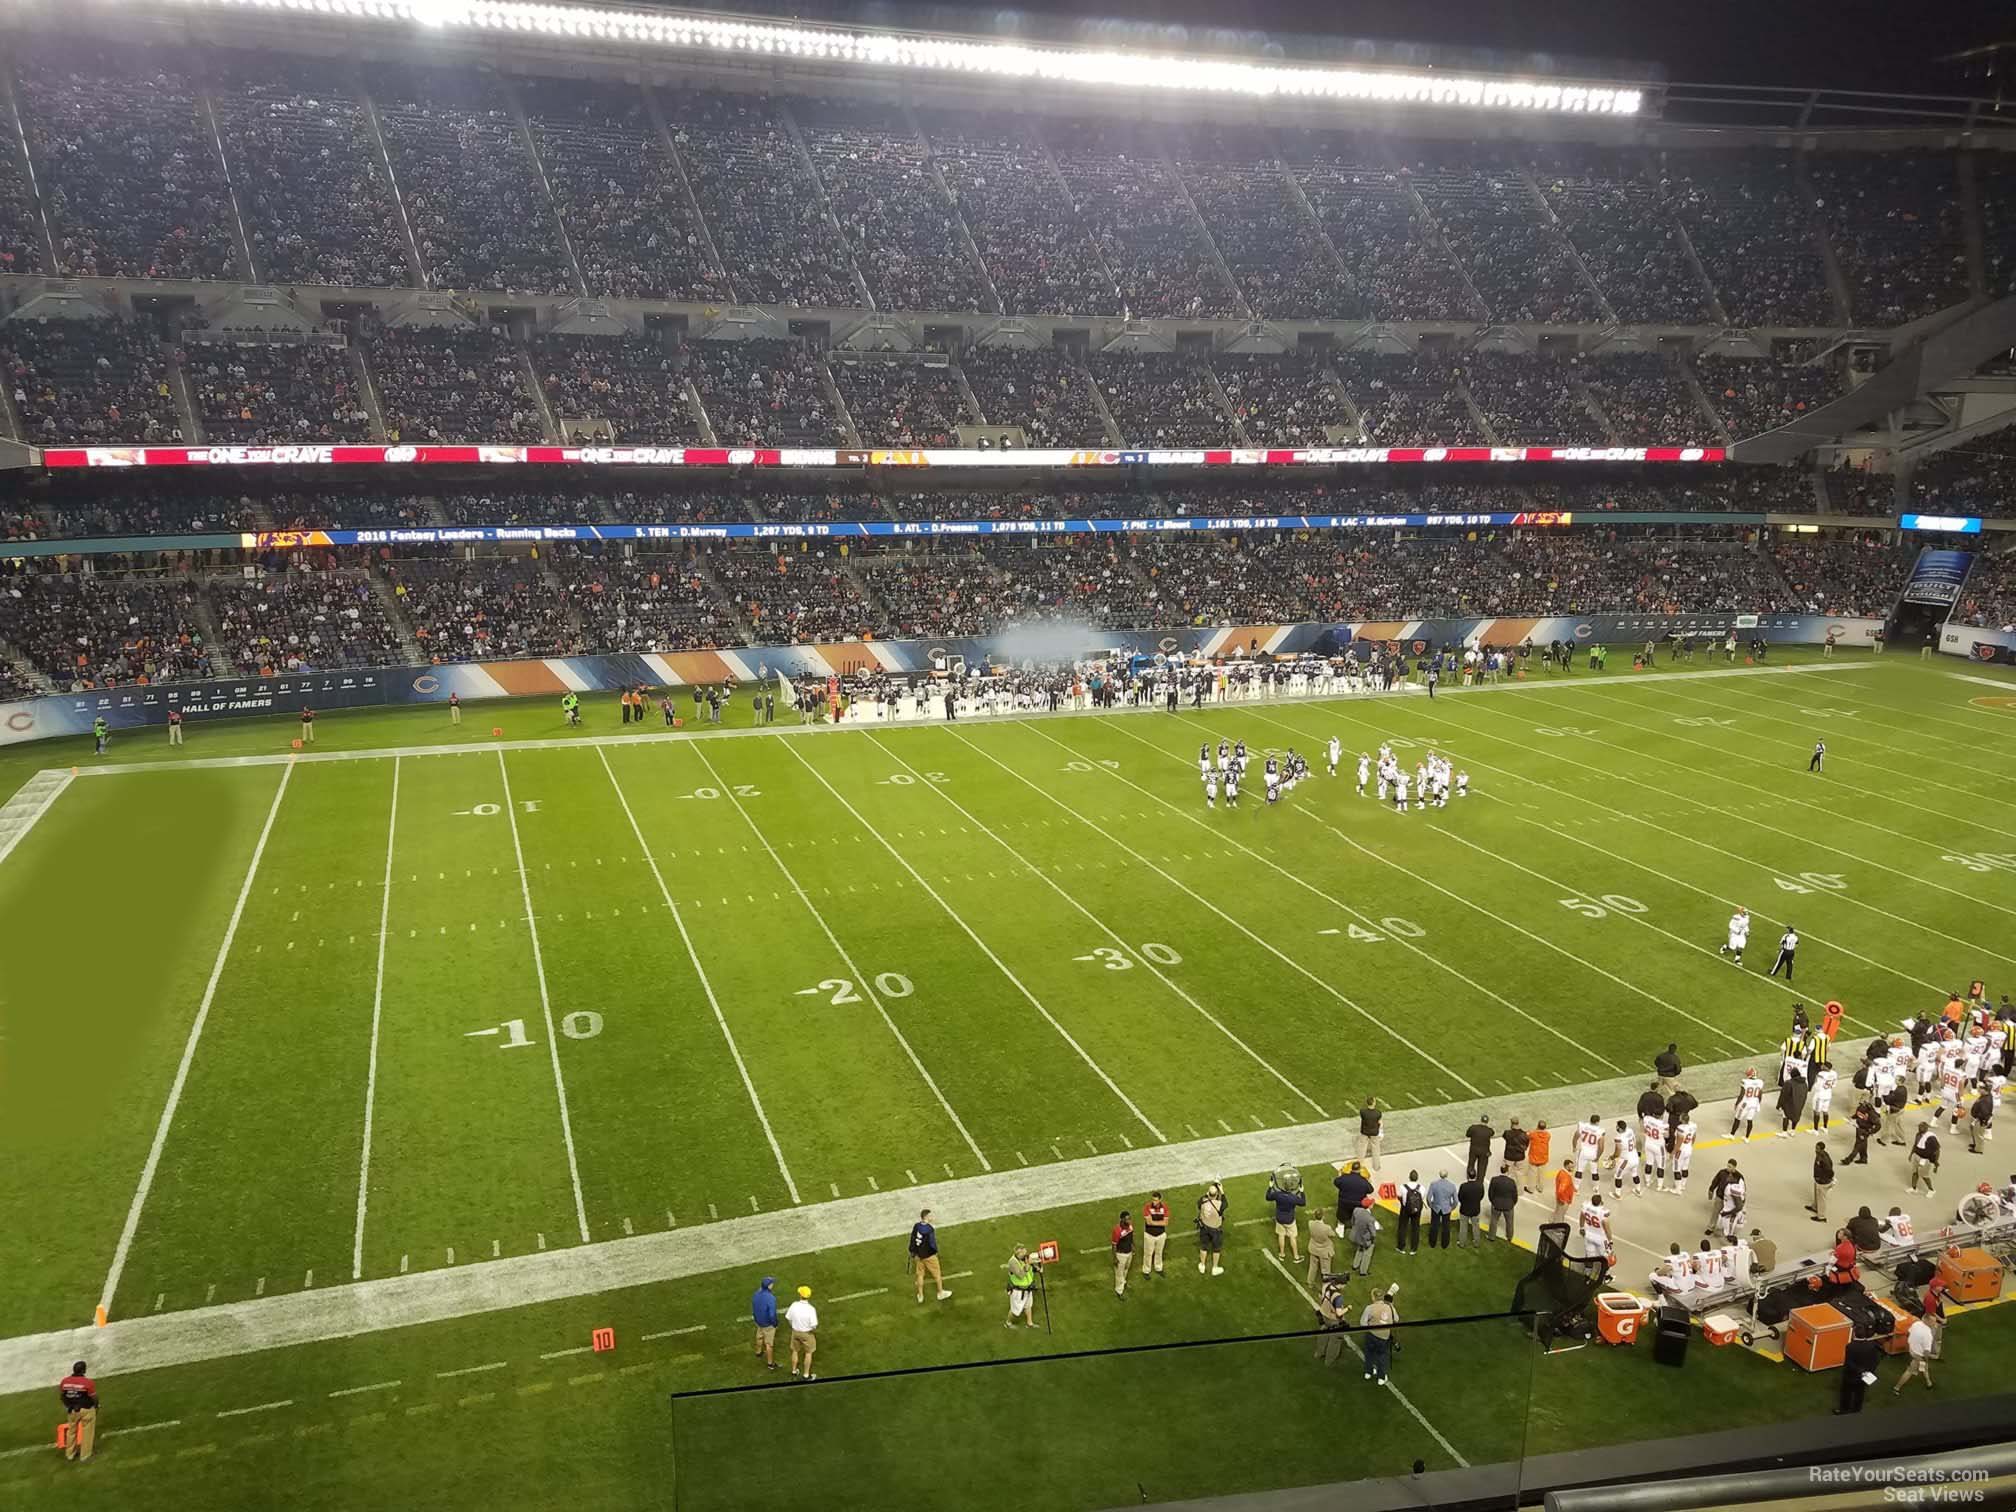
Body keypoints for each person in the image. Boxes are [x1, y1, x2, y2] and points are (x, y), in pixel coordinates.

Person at [909, 1209, 951, 1303]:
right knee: (937, 1274)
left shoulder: (916, 1226)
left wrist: (912, 1252)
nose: (932, 1217)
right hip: (928, 1256)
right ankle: (940, 1293)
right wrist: (935, 1252)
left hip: (918, 1256)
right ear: (926, 1217)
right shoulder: (929, 1229)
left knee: (920, 1275)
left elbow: (912, 1239)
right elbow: (932, 1244)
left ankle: (920, 1295)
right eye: (930, 1216)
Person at [57, 1361, 96, 1462]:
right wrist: (96, 1405)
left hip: (71, 1410)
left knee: (71, 1431)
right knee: (87, 1431)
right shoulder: (88, 1382)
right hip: (86, 1409)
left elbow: (62, 1395)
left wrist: (67, 1406)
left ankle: (70, 1454)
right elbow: (94, 1397)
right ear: (83, 1370)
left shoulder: (64, 1381)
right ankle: (85, 1455)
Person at [1838, 1327, 1883, 1414]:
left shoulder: (1851, 1346)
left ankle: (1844, 1410)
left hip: (1851, 1375)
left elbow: (1849, 1362)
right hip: (1865, 1376)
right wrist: (1869, 1371)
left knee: (1847, 1393)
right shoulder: (1872, 1346)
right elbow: (1876, 1360)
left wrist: (1860, 1371)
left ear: (1854, 1334)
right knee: (1860, 1393)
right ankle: (1856, 1410)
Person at [1360, 1284, 1399, 1385]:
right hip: (1384, 1337)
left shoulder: (1369, 1308)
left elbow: (1363, 1323)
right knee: (1382, 1356)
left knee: (1369, 1353)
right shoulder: (1390, 1308)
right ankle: (1381, 1378)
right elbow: (1396, 1319)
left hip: (1371, 1335)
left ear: (1373, 1297)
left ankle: (1368, 1372)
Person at [1313, 1272, 1352, 1364]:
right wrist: (1348, 1308)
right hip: (1333, 1320)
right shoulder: (1338, 1297)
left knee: (1323, 1334)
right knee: (1335, 1340)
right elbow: (1339, 1313)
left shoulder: (1327, 1286)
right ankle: (1329, 1360)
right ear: (1341, 1284)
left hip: (1324, 1315)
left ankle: (1318, 1353)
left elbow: (1321, 1296)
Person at [1266, 1177, 1305, 1263]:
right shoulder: (1293, 1198)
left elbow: (1268, 1197)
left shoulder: (1278, 1195)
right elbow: (1303, 1202)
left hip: (1279, 1218)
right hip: (1289, 1220)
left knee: (1281, 1235)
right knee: (1292, 1237)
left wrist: (1270, 1186)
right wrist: (1302, 1191)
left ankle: (1282, 1254)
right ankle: (1296, 1256)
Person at [1895, 1315, 1937, 1394]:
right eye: (1933, 1321)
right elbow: (1926, 1352)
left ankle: (1928, 1382)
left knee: (1924, 1367)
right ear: (1927, 1321)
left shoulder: (1916, 1324)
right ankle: (1897, 1387)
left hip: (1912, 1350)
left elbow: (1908, 1333)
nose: (1934, 1323)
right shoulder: (1927, 1334)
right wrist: (1926, 1359)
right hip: (1919, 1355)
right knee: (1910, 1370)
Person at [785, 1286, 819, 1380]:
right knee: (808, 1353)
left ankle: (794, 1371)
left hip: (795, 1332)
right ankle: (806, 1375)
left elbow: (788, 1318)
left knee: (795, 1351)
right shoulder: (811, 1309)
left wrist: (793, 1326)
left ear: (800, 1295)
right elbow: (814, 1325)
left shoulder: (794, 1305)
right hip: (807, 1334)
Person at [1004, 1245, 1040, 1328]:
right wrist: (1027, 1264)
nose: (1026, 1254)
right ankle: (1008, 1323)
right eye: (1023, 1253)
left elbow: (1031, 1268)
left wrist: (1037, 1268)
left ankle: (1029, 1323)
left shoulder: (1024, 1258)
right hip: (1018, 1291)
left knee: (1028, 1306)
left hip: (1027, 1288)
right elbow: (1021, 1275)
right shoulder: (1012, 1262)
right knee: (1015, 1311)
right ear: (1018, 1253)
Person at [1197, 1181, 1228, 1275]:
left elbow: (1199, 1202)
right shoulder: (1219, 1204)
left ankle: (1202, 1265)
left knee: (1203, 1246)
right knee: (1216, 1248)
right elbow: (1226, 1203)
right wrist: (1222, 1191)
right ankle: (1215, 1268)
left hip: (1204, 1227)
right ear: (1216, 1194)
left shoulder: (1202, 1201)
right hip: (1215, 1230)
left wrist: (1207, 1194)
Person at [750, 1276, 780, 1370]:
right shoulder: (771, 1298)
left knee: (759, 1336)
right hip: (768, 1324)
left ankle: (758, 1352)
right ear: (769, 1286)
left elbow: (754, 1307)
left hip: (758, 1321)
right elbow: (772, 1314)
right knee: (769, 1344)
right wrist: (775, 1323)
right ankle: (770, 1363)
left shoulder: (756, 1294)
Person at [1487, 1164, 1519, 1243]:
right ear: (1507, 1171)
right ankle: (1509, 1237)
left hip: (1496, 1204)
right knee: (1510, 1222)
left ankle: (1491, 1236)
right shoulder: (1512, 1182)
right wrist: (1512, 1204)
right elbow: (1515, 1195)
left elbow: (1490, 1193)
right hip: (1509, 1206)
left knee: (1494, 1220)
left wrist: (1493, 1202)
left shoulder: (1494, 1180)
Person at [1141, 1191, 1170, 1278]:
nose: (1154, 1202)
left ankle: (1158, 1268)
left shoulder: (1165, 1207)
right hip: (1149, 1235)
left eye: (1156, 1200)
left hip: (1161, 1235)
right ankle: (1146, 1270)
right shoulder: (1147, 1207)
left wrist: (1153, 1222)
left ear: (1160, 1200)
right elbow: (1148, 1222)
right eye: (1153, 1200)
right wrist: (1160, 1222)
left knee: (1159, 1252)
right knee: (1148, 1253)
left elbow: (1166, 1223)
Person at [1426, 1170, 1457, 1249]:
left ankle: (1432, 1243)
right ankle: (1445, 1244)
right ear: (1446, 1175)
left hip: (1436, 1208)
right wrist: (1451, 1208)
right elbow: (1456, 1201)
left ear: (1440, 1175)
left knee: (1434, 1226)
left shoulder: (1434, 1184)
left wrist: (1431, 1206)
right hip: (1446, 1209)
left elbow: (1429, 1198)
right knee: (1446, 1227)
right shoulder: (1452, 1186)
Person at [1395, 1171, 1424, 1255]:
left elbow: (1399, 1196)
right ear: (1417, 1178)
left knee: (1403, 1227)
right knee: (1415, 1228)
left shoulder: (1402, 1187)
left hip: (1405, 1209)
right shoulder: (1421, 1188)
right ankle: (1414, 1249)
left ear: (1409, 1177)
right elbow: (1422, 1198)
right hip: (1417, 1210)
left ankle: (1401, 1247)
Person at [1349, 1195, 1379, 1275]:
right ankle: (1363, 1271)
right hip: (1364, 1239)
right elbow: (1373, 1233)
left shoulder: (1356, 1210)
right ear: (1369, 1206)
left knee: (1360, 1249)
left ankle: (1355, 1265)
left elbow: (1352, 1222)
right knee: (1367, 1253)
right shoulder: (1370, 1219)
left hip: (1355, 1235)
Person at [1306, 1210, 1337, 1286]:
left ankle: (1310, 1282)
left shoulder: (1310, 1223)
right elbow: (1333, 1235)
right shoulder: (1326, 1228)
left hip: (1314, 1248)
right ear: (1323, 1217)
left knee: (1313, 1267)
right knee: (1326, 1269)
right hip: (1324, 1251)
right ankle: (1326, 1285)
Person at [1846, 1099, 1880, 1165]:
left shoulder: (1871, 1113)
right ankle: (1863, 1158)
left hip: (1865, 1130)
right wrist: (1851, 1118)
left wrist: (1871, 1132)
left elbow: (1878, 1125)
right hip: (1859, 1128)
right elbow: (1857, 1114)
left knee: (1858, 1145)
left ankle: (1849, 1159)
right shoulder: (1860, 1108)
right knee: (1863, 1144)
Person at [1455, 1172, 1484, 1248]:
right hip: (1475, 1209)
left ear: (1468, 1176)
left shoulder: (1464, 1186)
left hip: (1464, 1209)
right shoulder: (1480, 1186)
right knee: (1476, 1226)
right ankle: (1477, 1242)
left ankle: (1461, 1243)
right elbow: (1481, 1196)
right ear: (1475, 1176)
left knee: (1463, 1226)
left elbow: (1460, 1197)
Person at [1110, 1208, 1134, 1298]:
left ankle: (1123, 1283)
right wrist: (1115, 1258)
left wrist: (1133, 1246)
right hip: (1121, 1254)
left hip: (1129, 1252)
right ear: (1122, 1219)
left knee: (1126, 1269)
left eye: (1129, 1218)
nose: (1129, 1220)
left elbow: (1131, 1238)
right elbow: (1114, 1245)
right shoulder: (1117, 1230)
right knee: (1119, 1273)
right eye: (1127, 1219)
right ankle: (1119, 1291)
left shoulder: (1130, 1226)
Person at [1909, 1124, 1941, 1193]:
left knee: (1924, 1175)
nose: (1920, 1128)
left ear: (1927, 1128)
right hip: (1917, 1156)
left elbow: (1937, 1150)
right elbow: (1915, 1145)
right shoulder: (1918, 1135)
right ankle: (1914, 1188)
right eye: (1919, 1127)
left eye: (1923, 1127)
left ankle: (1931, 1190)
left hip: (1925, 1159)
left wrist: (1936, 1162)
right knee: (1915, 1172)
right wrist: (1911, 1154)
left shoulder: (1931, 1138)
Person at [1463, 1114, 1494, 1182]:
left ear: (1481, 1120)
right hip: (1484, 1151)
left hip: (1474, 1150)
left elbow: (1467, 1134)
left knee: (1471, 1164)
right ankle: (1479, 1182)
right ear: (1487, 1121)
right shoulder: (1489, 1130)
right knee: (1482, 1168)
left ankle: (1470, 1179)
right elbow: (1492, 1133)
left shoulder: (1473, 1128)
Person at [1522, 1120, 1551, 1195]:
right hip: (1543, 1158)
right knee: (1542, 1174)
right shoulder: (1548, 1135)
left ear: (1537, 1126)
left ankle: (1531, 1189)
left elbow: (1527, 1135)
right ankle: (1540, 1188)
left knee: (1532, 1174)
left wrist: (1534, 1130)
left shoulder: (1533, 1134)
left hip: (1534, 1158)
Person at [1809, 1142, 1835, 1224]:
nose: (1815, 1149)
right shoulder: (1820, 1155)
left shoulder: (1824, 1158)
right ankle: (1815, 1207)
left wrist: (1824, 1178)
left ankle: (1821, 1216)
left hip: (1823, 1181)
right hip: (1818, 1180)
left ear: (1821, 1149)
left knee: (1821, 1198)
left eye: (1817, 1148)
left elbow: (1829, 1170)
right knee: (1817, 1194)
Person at [1357, 1097, 1384, 1169]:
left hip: (1364, 1132)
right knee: (1376, 1149)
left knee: (1362, 1148)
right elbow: (1380, 1123)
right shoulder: (1378, 1113)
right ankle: (1376, 1166)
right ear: (1373, 1103)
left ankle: (1359, 1165)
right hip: (1374, 1133)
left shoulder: (1362, 1111)